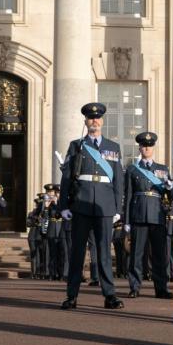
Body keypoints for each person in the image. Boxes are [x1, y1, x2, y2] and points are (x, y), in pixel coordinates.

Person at [59, 102, 125, 310]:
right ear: (86, 122)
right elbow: (67, 178)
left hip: (105, 206)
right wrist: (63, 205)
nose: (94, 121)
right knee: (78, 252)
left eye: (97, 118)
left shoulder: (113, 148)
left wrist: (117, 209)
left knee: (105, 251)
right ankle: (72, 296)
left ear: (102, 121)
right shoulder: (76, 145)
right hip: (81, 203)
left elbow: (118, 181)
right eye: (90, 118)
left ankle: (110, 295)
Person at [124, 131, 173, 299]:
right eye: (144, 146)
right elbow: (129, 195)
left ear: (153, 148)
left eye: (149, 146)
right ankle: (135, 287)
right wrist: (127, 220)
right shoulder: (132, 169)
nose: (146, 148)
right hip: (138, 215)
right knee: (137, 254)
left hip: (157, 215)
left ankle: (161, 288)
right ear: (140, 148)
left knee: (159, 255)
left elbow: (171, 196)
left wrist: (169, 187)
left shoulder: (162, 169)